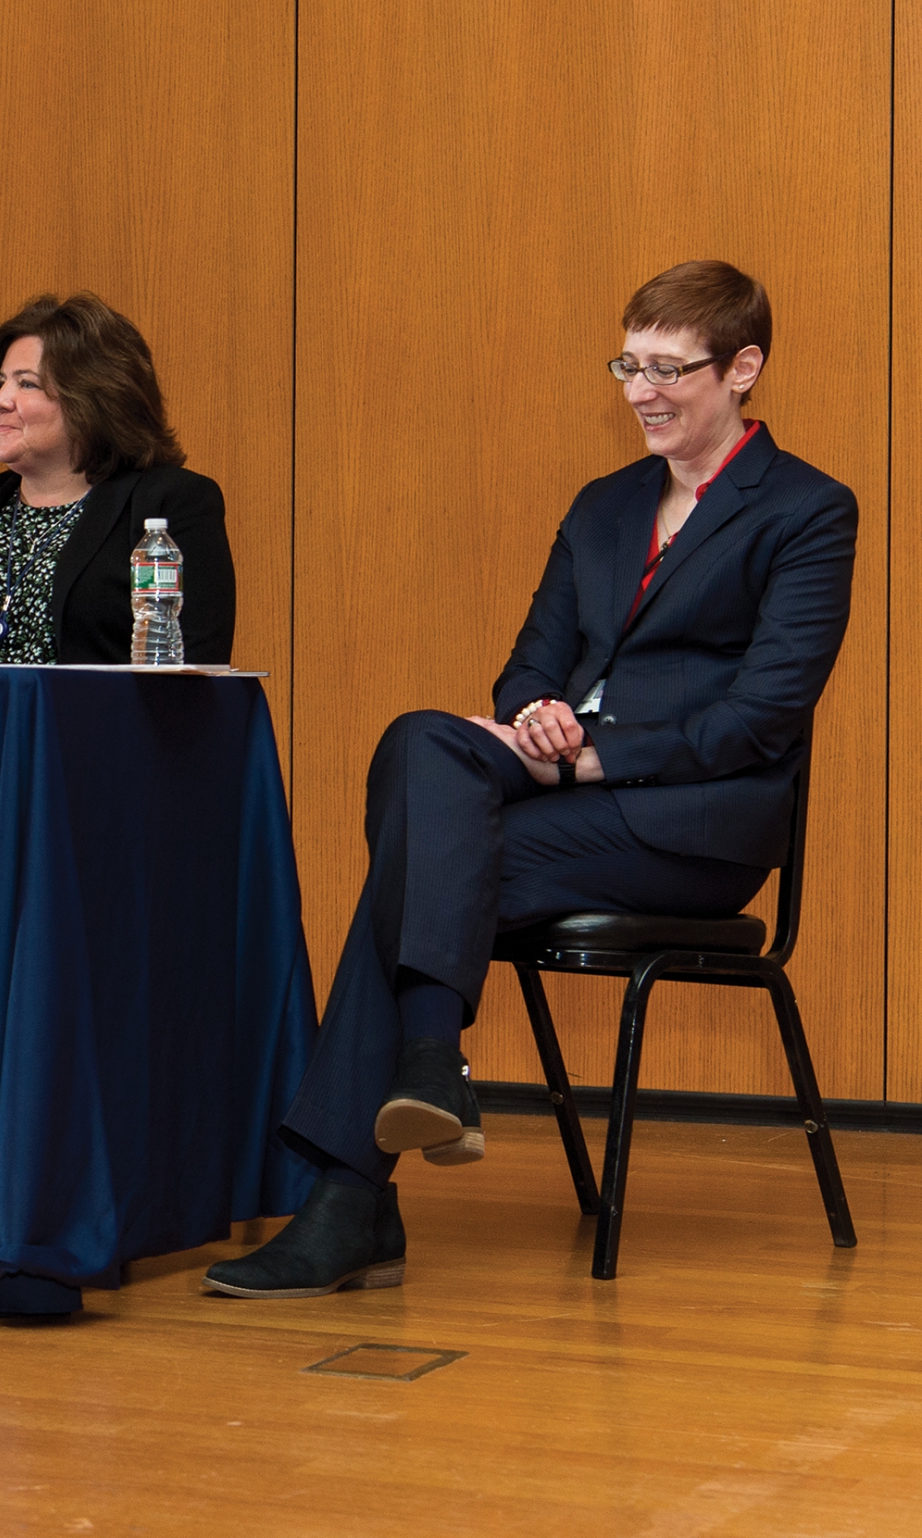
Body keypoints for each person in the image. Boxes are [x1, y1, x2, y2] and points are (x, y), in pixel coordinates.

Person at [205, 261, 857, 1299]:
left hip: (692, 828)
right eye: (626, 363)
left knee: (416, 874)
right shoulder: (603, 506)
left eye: (666, 368)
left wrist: (590, 752)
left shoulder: (809, 511)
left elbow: (761, 715)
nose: (639, 390)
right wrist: (536, 713)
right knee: (420, 738)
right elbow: (529, 661)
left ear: (742, 368)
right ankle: (420, 1076)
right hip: (566, 793)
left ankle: (359, 1184)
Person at [0, 293, 234, 666]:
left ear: (92, 399)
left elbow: (193, 671)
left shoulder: (171, 504)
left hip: (86, 723)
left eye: (25, 384)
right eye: (2, 383)